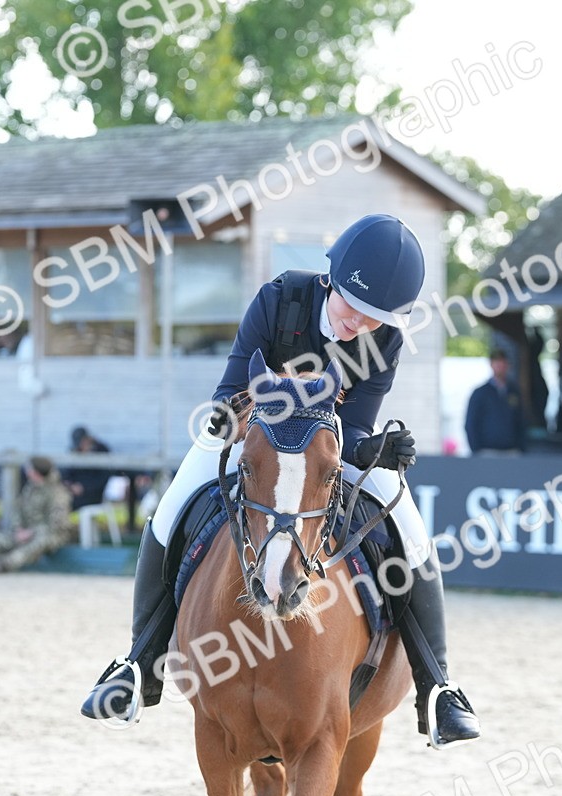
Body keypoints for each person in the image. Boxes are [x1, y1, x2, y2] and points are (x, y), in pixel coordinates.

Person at [79, 214, 481, 746]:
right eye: (353, 308)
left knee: (411, 530)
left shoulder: (384, 341)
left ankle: (438, 689)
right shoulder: (280, 299)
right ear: (331, 279)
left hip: (324, 452)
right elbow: (229, 396)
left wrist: (373, 450)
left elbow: (355, 426)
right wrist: (275, 423)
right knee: (170, 509)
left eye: (374, 318)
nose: (359, 324)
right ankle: (138, 665)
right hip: (247, 435)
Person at [0, 456, 74, 573]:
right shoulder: (30, 489)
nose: (27, 472)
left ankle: (3, 564)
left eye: (30, 469)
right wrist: (18, 529)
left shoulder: (58, 493)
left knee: (37, 542)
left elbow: (57, 525)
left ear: (36, 472)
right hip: (25, 532)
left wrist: (31, 532)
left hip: (47, 534)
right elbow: (18, 511)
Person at [464, 349, 525, 455]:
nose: (500, 366)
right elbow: (471, 423)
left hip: (511, 451)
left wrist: (521, 447)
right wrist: (476, 449)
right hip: (487, 451)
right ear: (491, 364)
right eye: (497, 362)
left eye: (503, 362)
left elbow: (520, 421)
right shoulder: (481, 393)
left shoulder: (514, 392)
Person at [64, 426, 112, 511]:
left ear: (87, 439)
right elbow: (67, 473)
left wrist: (84, 487)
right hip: (74, 492)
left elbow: (103, 478)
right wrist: (71, 485)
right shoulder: (75, 452)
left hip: (93, 494)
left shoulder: (101, 451)